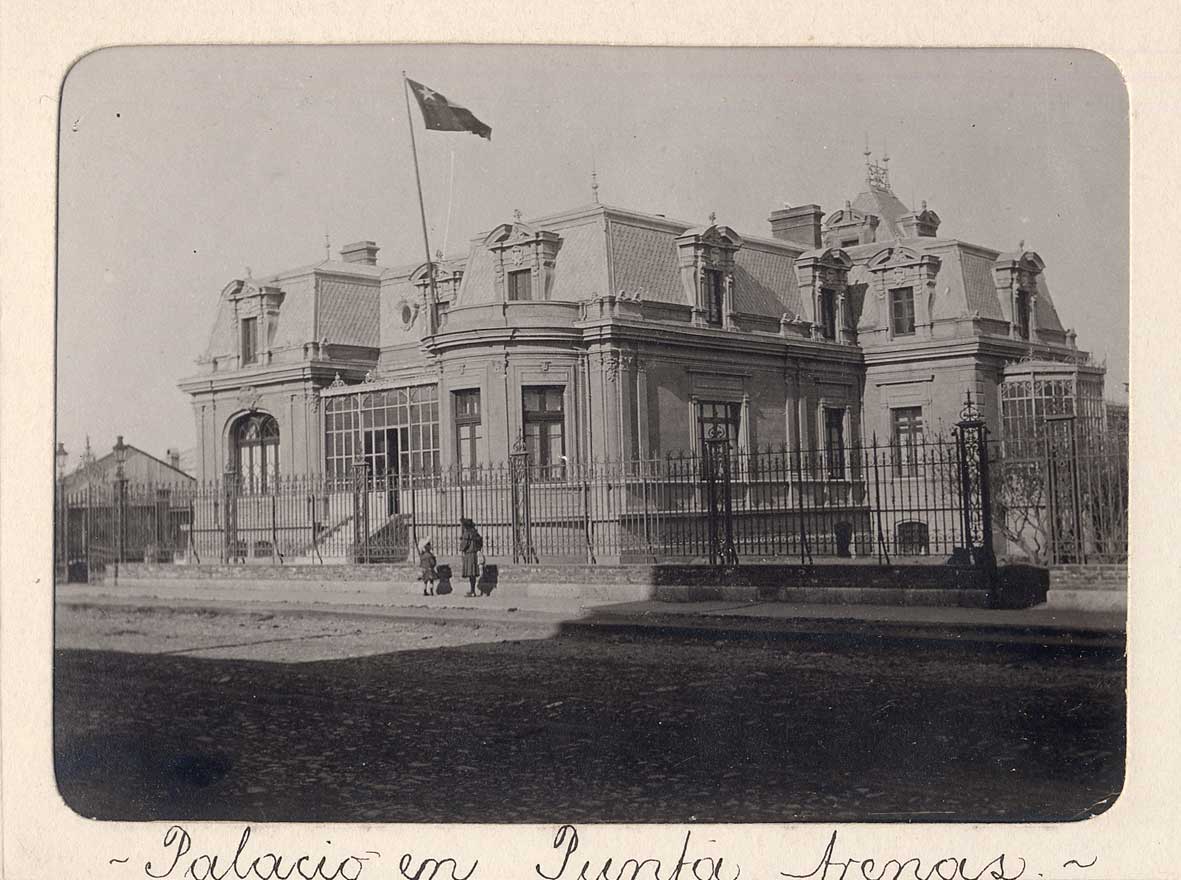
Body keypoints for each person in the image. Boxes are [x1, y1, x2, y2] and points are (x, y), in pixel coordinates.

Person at [459, 518, 484, 597]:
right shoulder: (475, 533)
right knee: (473, 574)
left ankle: (472, 591)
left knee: (470, 573)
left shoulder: (467, 533)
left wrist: (461, 548)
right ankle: (472, 590)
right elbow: (480, 542)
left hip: (469, 554)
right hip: (474, 554)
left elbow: (464, 544)